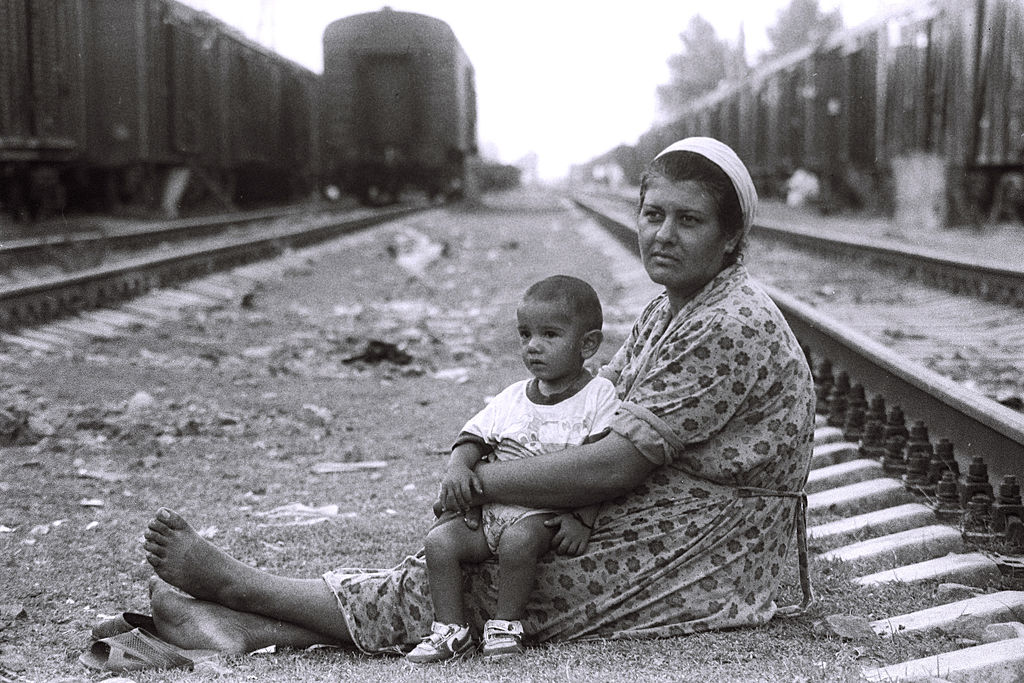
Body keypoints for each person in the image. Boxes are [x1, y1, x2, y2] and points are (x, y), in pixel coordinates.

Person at [139, 136, 816, 661]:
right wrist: (494, 466)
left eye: (689, 220)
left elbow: (614, 465)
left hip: (712, 547)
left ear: (732, 237)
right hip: (676, 511)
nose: (663, 234)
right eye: (653, 214)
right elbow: (596, 412)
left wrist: (483, 481)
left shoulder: (728, 322)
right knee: (478, 558)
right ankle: (245, 624)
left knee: (496, 589)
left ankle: (238, 589)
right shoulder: (678, 305)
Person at [407, 275, 619, 663]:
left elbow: (600, 463)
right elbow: (474, 437)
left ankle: (506, 625)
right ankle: (450, 630)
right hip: (488, 514)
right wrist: (458, 467)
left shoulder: (598, 396)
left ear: (587, 344)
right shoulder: (512, 397)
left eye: (549, 335)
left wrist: (583, 520)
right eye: (525, 335)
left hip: (542, 513)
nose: (533, 347)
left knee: (518, 543)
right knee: (439, 543)